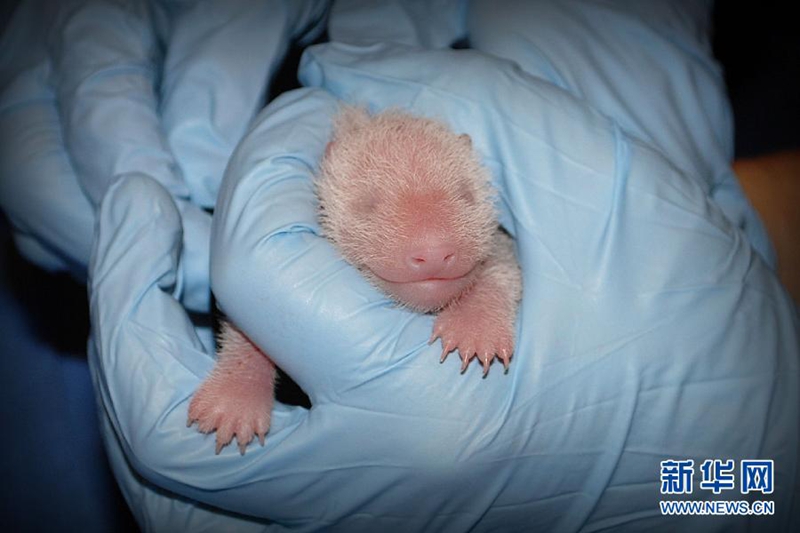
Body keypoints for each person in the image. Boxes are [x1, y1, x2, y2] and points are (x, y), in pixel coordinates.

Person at [3, 1, 798, 530]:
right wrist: (244, 375)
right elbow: (257, 316)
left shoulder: (740, 483)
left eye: (462, 195)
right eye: (371, 207)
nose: (434, 242)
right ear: (320, 190)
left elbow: (502, 260)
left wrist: (750, 487)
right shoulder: (306, 213)